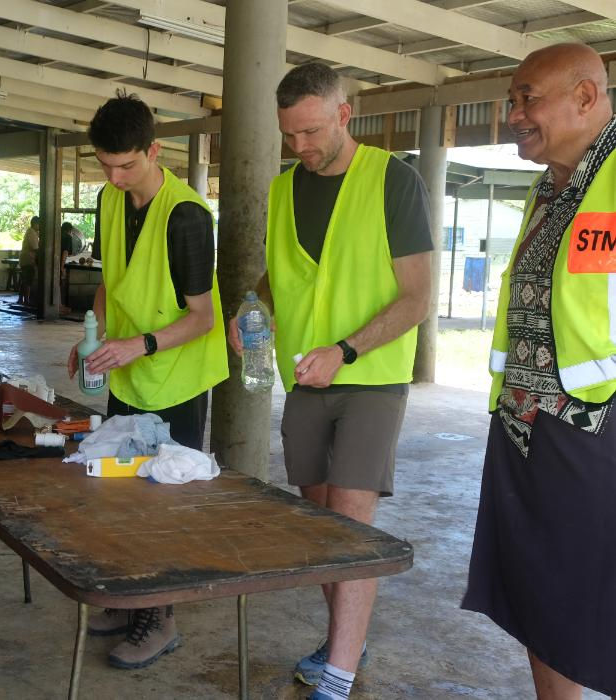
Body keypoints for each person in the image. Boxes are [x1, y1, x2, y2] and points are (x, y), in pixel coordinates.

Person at [227, 63, 432, 700]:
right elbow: (279, 277)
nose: (301, 147)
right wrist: (250, 310)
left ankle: (338, 675)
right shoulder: (286, 188)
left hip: (369, 377)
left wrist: (346, 350)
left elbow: (417, 297)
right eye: (290, 135)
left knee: (351, 522)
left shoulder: (394, 180)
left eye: (312, 131)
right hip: (304, 380)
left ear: (346, 114)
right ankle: (348, 638)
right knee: (320, 528)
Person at [462, 43, 616, 699]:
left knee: (589, 594)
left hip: (595, 430)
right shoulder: (551, 187)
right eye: (512, 100)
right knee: (541, 592)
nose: (514, 114)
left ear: (586, 97)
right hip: (530, 424)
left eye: (529, 98)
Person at [67, 92, 228, 670]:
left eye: (127, 165)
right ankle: (132, 595)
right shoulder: (112, 201)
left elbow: (203, 317)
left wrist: (137, 345)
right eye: (105, 165)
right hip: (131, 373)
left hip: (178, 375)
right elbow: (113, 281)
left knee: (163, 497)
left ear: (155, 150)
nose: (114, 177)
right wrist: (93, 334)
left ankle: (161, 619)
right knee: (119, 488)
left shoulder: (186, 217)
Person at [18, 214, 39, 305]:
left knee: (24, 280)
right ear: (35, 224)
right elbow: (36, 248)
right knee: (28, 281)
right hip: (28, 260)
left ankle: (21, 299)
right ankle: (26, 300)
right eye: (39, 224)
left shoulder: (32, 232)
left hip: (25, 260)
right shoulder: (32, 233)